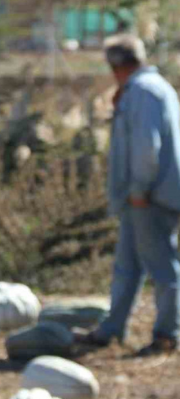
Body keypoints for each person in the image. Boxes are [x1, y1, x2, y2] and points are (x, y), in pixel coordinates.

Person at [79, 35, 180, 356]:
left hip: (149, 197)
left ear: (116, 67)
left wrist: (138, 189)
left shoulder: (144, 92)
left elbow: (147, 147)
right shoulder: (150, 88)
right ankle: (112, 329)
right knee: (127, 265)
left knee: (162, 267)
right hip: (143, 196)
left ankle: (168, 334)